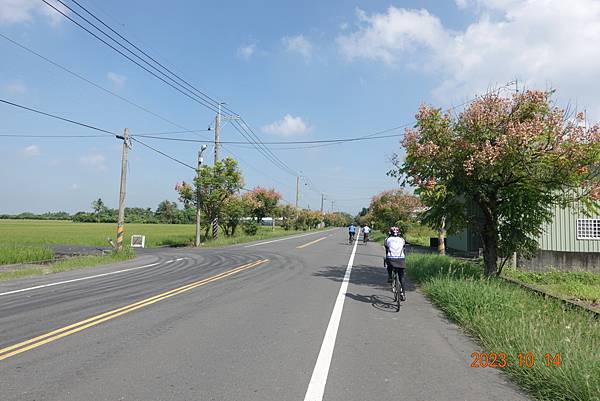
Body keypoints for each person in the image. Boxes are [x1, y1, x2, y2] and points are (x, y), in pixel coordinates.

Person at [384, 226, 406, 300]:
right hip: (401, 259)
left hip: (391, 258)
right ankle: (403, 293)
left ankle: (390, 276)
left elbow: (387, 249)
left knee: (388, 263)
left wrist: (386, 257)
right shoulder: (402, 239)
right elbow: (403, 248)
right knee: (401, 277)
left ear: (390, 232)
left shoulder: (387, 239)